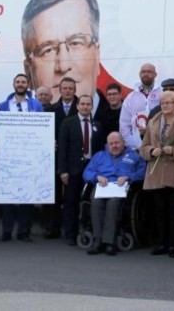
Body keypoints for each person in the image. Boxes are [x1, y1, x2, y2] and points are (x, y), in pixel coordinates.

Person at [20, 0, 101, 106]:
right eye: (47, 50)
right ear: (28, 71)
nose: (63, 66)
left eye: (75, 43)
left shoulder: (113, 116)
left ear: (97, 55)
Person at [139, 90, 174, 258]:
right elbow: (143, 148)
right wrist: (151, 151)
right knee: (159, 211)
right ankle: (161, 243)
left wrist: (173, 151)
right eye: (162, 102)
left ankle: (173, 245)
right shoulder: (153, 123)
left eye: (168, 102)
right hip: (156, 174)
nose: (165, 105)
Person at [0, 74, 44, 242]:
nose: (21, 84)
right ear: (13, 84)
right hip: (8, 157)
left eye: (23, 82)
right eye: (18, 82)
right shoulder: (3, 106)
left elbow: (42, 128)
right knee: (7, 195)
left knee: (27, 195)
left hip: (30, 156)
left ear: (28, 85)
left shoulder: (36, 105)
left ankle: (24, 232)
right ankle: (7, 231)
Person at [82, 132, 146, 256]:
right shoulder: (99, 156)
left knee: (113, 203)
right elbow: (86, 173)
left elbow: (143, 173)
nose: (114, 146)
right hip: (102, 187)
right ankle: (98, 240)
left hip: (122, 188)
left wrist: (128, 176)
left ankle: (110, 242)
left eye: (117, 143)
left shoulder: (134, 156)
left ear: (123, 143)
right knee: (96, 202)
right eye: (111, 144)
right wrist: (97, 176)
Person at [58, 94, 106, 246]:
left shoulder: (98, 124)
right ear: (77, 106)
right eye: (82, 104)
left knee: (90, 201)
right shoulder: (68, 123)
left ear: (92, 107)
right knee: (71, 201)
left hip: (92, 169)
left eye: (88, 104)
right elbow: (63, 149)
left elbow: (100, 150)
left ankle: (90, 230)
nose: (85, 107)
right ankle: (70, 233)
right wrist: (63, 170)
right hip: (73, 170)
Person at [43, 76, 78, 239]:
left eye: (71, 88)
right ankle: (52, 227)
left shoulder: (82, 108)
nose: (68, 91)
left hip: (74, 158)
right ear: (60, 90)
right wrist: (48, 142)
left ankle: (73, 228)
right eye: (65, 88)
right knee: (54, 194)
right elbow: (43, 134)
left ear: (75, 90)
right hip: (54, 157)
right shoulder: (51, 110)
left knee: (72, 196)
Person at [120, 63, 162, 150]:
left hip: (159, 146)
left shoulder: (162, 94)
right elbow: (124, 123)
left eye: (149, 72)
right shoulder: (131, 97)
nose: (146, 74)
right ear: (139, 74)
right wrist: (132, 144)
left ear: (155, 75)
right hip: (136, 148)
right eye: (143, 72)